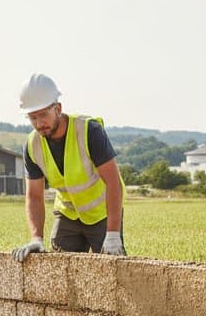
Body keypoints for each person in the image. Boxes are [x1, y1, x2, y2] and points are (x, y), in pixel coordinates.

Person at [12, 73, 126, 261]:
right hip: (68, 214)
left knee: (113, 270)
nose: (39, 124)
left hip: (101, 215)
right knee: (58, 272)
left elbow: (113, 182)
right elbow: (34, 195)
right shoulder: (32, 145)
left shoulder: (89, 131)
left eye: (43, 115)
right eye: (33, 118)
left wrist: (113, 234)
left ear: (58, 108)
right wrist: (36, 237)